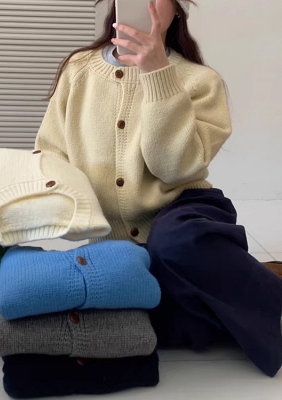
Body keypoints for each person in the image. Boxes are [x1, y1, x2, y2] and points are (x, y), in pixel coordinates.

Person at [35, 0, 282, 377]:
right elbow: (50, 152)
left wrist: (157, 75)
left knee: (174, 243)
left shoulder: (201, 81)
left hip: (183, 210)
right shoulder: (78, 69)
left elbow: (175, 167)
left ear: (178, 9)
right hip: (112, 240)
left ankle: (269, 299)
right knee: (151, 316)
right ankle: (240, 279)